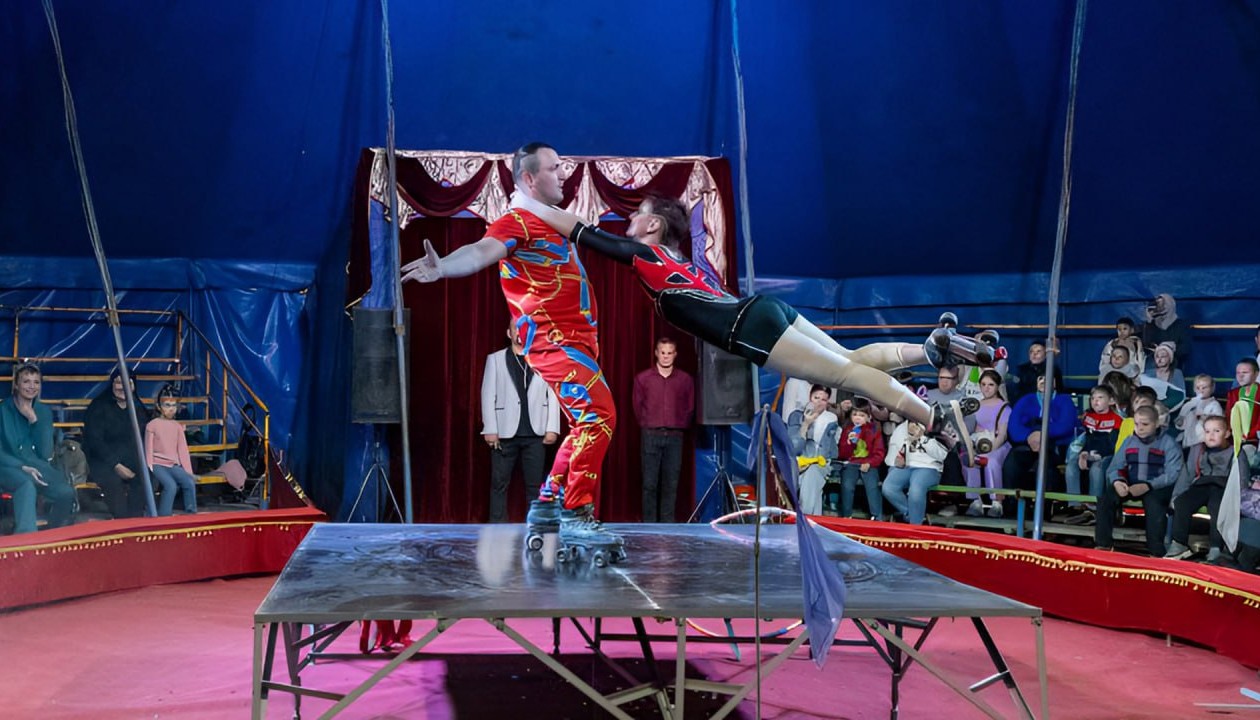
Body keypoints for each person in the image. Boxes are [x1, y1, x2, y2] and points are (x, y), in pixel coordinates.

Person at [511, 191, 987, 443]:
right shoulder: (683, 261)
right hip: (765, 310)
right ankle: (927, 351)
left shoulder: (647, 255)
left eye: (637, 214)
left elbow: (585, 234)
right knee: (851, 358)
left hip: (751, 326)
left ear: (653, 225)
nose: (629, 221)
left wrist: (527, 206)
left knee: (846, 375)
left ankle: (930, 414)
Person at [402, 143, 621, 556]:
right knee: (599, 416)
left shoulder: (552, 220)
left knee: (585, 423)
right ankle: (576, 512)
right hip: (554, 343)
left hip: (579, 342)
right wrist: (444, 266)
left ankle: (546, 504)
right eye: (555, 168)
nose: (564, 174)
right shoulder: (516, 221)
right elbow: (481, 251)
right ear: (529, 178)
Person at [480, 324, 561, 523]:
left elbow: (553, 393)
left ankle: (535, 526)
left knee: (535, 486)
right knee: (499, 484)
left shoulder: (544, 359)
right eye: (516, 328)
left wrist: (552, 428)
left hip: (536, 433)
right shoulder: (495, 360)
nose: (520, 332)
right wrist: (490, 428)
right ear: (509, 333)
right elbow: (488, 394)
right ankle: (498, 526)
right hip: (504, 433)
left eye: (524, 327)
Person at [1095, 405, 1183, 557]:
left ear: (1156, 423)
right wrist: (1118, 482)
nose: (1140, 428)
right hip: (1130, 484)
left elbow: (1173, 473)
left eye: (1145, 424)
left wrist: (1148, 485)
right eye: (1136, 424)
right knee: (1105, 499)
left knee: (1154, 505)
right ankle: (1103, 545)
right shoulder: (1129, 441)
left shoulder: (1169, 444)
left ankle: (1156, 552)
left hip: (1156, 486)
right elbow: (1114, 467)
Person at [0, 363, 75, 533]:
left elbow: (45, 452)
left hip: (37, 467)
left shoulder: (43, 412)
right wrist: (22, 467)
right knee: (26, 484)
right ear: (16, 385)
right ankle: (26, 537)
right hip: (7, 467)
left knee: (66, 492)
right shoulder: (3, 410)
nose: (31, 386)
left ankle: (54, 533)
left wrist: (34, 421)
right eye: (26, 381)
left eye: (36, 382)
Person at [633, 336, 693, 522]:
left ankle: (668, 526)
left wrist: (679, 424)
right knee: (649, 484)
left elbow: (689, 406)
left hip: (675, 436)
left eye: (669, 353)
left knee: (671, 484)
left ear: (675, 355)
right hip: (651, 435)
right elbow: (637, 406)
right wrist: (648, 423)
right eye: (663, 352)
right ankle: (649, 525)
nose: (666, 356)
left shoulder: (685, 380)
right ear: (656, 353)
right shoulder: (643, 379)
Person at [1166, 415, 1241, 562]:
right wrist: (1176, 495)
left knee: (1217, 507)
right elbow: (1187, 473)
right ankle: (1179, 544)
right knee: (1182, 502)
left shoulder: (1235, 451)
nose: (1211, 435)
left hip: (1223, 488)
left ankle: (1216, 548)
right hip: (1201, 485)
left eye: (1216, 431)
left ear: (1227, 433)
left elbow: (1241, 478)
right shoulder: (1198, 449)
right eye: (1207, 431)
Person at [83, 368, 151, 519]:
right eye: (119, 382)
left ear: (134, 387)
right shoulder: (98, 407)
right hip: (102, 461)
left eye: (128, 383)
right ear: (112, 385)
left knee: (147, 477)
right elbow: (95, 441)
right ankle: (122, 521)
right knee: (114, 484)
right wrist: (116, 465)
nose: (123, 387)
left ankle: (135, 521)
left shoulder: (138, 409)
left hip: (130, 460)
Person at [1001, 374, 1077, 507]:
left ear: (1055, 382)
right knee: (1012, 463)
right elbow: (1013, 425)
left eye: (1048, 378)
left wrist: (1043, 434)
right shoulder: (1026, 400)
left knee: (1043, 466)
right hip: (1027, 444)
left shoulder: (1064, 400)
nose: (1043, 381)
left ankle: (1043, 509)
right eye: (1040, 378)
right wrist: (1029, 436)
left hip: (1053, 446)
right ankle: (1012, 505)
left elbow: (1066, 425)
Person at [1062, 385, 1123, 525]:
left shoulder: (1116, 419)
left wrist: (1095, 456)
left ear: (1111, 401)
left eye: (1100, 398)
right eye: (1093, 398)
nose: (1095, 401)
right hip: (1089, 453)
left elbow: (1111, 445)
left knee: (1097, 468)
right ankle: (1075, 505)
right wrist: (1084, 454)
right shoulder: (1088, 417)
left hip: (1107, 455)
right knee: (1071, 466)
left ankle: (1094, 507)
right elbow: (1087, 439)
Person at [962, 370, 1010, 518]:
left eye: (990, 385)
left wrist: (990, 449)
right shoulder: (976, 406)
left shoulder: (1004, 407)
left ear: (997, 386)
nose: (986, 388)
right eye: (983, 384)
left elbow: (1002, 434)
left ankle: (996, 502)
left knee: (992, 462)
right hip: (978, 442)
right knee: (969, 460)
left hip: (998, 445)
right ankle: (975, 500)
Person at [881, 419, 948, 525]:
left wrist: (922, 438)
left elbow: (942, 455)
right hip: (906, 466)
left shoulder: (936, 427)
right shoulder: (901, 428)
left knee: (915, 490)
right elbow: (893, 451)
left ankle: (915, 524)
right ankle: (911, 515)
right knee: (888, 488)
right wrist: (893, 465)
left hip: (929, 467)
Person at [144, 388, 199, 516]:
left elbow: (182, 450)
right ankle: (165, 515)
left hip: (173, 464)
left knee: (189, 482)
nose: (171, 409)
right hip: (157, 464)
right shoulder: (152, 425)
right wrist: (150, 466)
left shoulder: (177, 426)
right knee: (170, 486)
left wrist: (188, 472)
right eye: (167, 405)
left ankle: (191, 513)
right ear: (159, 407)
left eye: (174, 405)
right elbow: (148, 448)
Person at [787, 384, 840, 516]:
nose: (819, 402)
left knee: (812, 474)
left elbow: (832, 448)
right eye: (816, 398)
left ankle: (804, 517)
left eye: (824, 399)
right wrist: (806, 424)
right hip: (799, 461)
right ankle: (814, 519)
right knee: (813, 490)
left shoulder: (831, 418)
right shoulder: (796, 416)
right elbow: (794, 447)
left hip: (821, 462)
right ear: (810, 397)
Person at [835, 398, 885, 519]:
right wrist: (848, 443)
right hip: (851, 464)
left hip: (869, 464)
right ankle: (847, 515)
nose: (857, 418)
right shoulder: (847, 429)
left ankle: (876, 517)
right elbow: (842, 454)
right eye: (855, 415)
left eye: (862, 415)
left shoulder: (874, 430)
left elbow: (879, 453)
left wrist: (869, 463)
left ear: (868, 417)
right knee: (847, 485)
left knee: (872, 486)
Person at [1140, 294, 1192, 370]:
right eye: (1158, 304)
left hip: (1174, 365)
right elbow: (1146, 344)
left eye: (1162, 304)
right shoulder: (1152, 325)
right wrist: (1149, 322)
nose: (1160, 307)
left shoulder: (1181, 325)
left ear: (1170, 305)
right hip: (1153, 365)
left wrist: (1169, 350)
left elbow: (1185, 348)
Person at [1175, 374, 1223, 454]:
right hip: (1189, 441)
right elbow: (1182, 423)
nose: (1201, 390)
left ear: (1212, 388)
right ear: (1194, 389)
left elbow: (1219, 423)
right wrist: (1180, 422)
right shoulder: (1189, 404)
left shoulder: (1214, 405)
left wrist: (1204, 418)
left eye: (1204, 388)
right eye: (1198, 388)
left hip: (1203, 442)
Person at [1139, 341, 1186, 413]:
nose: (1159, 359)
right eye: (1157, 356)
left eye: (1163, 356)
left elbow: (1181, 394)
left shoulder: (1177, 373)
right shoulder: (1148, 373)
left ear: (1170, 358)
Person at [1226, 358, 1260, 447]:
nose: (1240, 376)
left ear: (1256, 374)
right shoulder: (1233, 393)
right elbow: (1229, 416)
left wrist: (1247, 436)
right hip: (1234, 439)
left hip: (1254, 440)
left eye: (1245, 372)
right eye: (1238, 373)